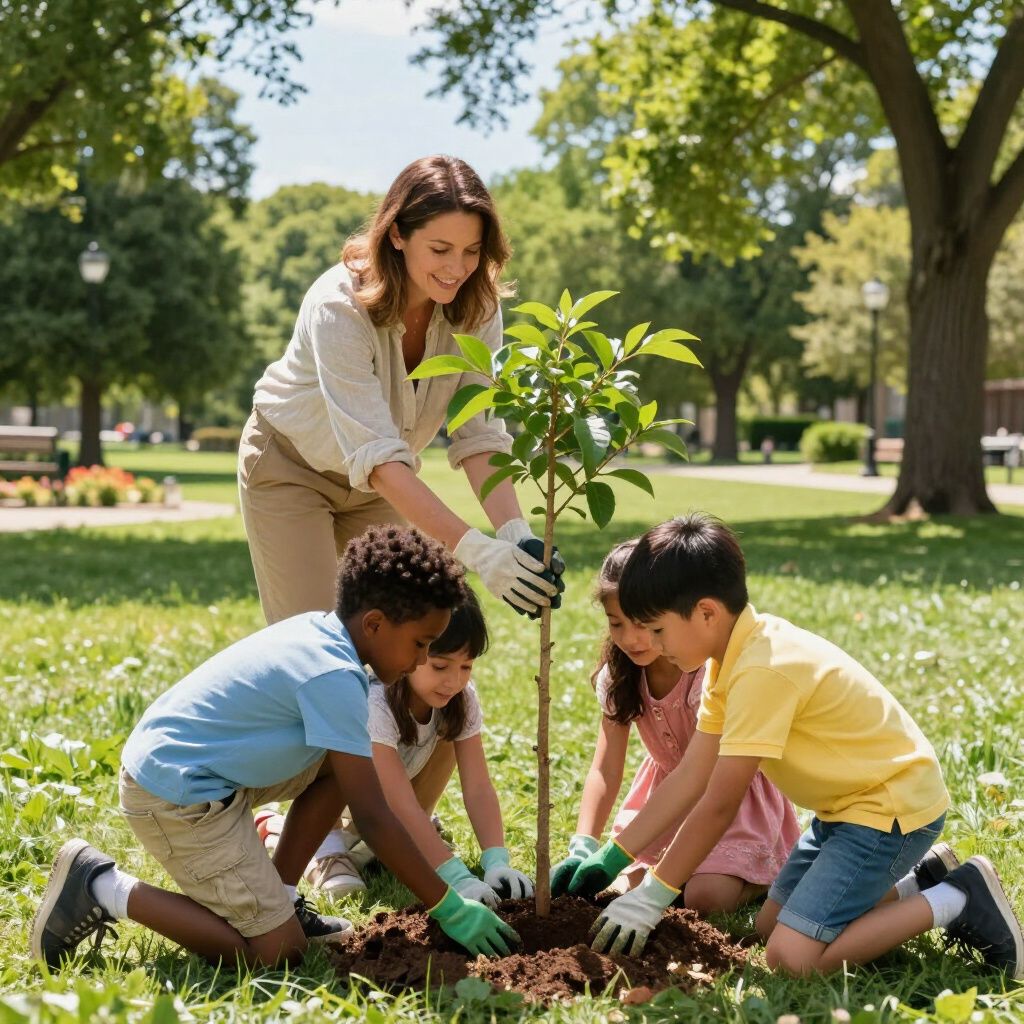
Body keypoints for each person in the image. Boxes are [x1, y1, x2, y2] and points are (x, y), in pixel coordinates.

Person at [30, 526, 520, 971]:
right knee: (277, 953)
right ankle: (99, 885)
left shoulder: (326, 635)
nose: (420, 657)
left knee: (344, 762)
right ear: (374, 624)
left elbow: (355, 784)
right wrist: (449, 905)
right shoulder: (333, 676)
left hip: (210, 771)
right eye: (420, 644)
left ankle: (281, 896)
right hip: (175, 794)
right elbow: (373, 816)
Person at [566, 513, 1023, 980]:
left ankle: (959, 896)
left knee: (791, 960)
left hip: (887, 812)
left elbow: (719, 803)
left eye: (659, 630)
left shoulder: (762, 670)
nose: (655, 646)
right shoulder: (727, 659)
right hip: (842, 813)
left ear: (706, 612)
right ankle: (923, 878)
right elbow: (691, 776)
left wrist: (654, 893)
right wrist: (614, 855)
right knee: (770, 925)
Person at [238, 154, 564, 628]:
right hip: (291, 469)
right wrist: (478, 553)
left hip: (380, 484)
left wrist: (515, 535)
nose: (457, 268)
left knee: (392, 639)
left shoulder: (479, 308)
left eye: (471, 251)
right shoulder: (339, 307)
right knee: (313, 648)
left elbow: (478, 432)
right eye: (439, 249)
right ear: (397, 234)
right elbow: (379, 457)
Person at [550, 540, 799, 914]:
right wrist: (584, 843)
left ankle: (770, 871)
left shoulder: (705, 673)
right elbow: (605, 768)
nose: (631, 638)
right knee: (619, 888)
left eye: (642, 624)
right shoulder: (619, 678)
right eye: (616, 623)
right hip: (664, 801)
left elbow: (705, 776)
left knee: (704, 897)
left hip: (729, 799)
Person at [256, 588, 534, 902]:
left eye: (466, 666)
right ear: (414, 649)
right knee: (355, 876)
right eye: (441, 666)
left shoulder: (460, 698)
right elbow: (398, 805)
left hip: (383, 806)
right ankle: (312, 841)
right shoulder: (376, 702)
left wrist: (496, 860)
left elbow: (478, 786)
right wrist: (456, 878)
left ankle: (369, 844)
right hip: (338, 797)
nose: (454, 681)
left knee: (386, 850)